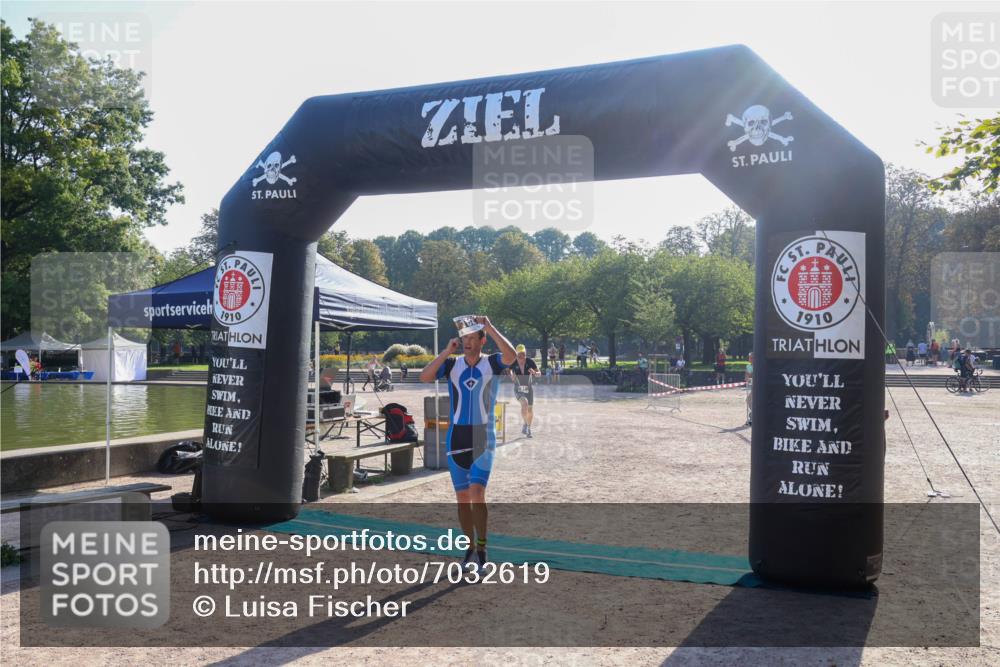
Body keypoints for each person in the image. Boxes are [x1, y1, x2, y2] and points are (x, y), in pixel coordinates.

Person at [419, 315, 516, 573]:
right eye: (464, 339)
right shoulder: (452, 365)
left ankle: (482, 549)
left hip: (483, 437)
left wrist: (490, 327)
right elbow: (425, 376)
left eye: (473, 338)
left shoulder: (492, 363)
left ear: (482, 340)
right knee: (462, 498)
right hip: (456, 438)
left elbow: (511, 356)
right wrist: (446, 351)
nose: (468, 343)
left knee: (477, 493)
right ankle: (470, 548)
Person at [508, 344, 541, 438]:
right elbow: (509, 371)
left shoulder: (530, 362)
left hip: (529, 389)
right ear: (516, 354)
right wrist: (511, 376)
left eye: (523, 353)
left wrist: (534, 373)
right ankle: (526, 425)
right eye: (520, 354)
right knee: (524, 403)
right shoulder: (513, 362)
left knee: (530, 409)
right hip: (518, 388)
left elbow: (539, 374)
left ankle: (528, 428)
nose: (522, 356)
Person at [744, 353, 753, 426]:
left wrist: (749, 375)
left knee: (750, 400)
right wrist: (747, 378)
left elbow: (752, 374)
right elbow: (746, 375)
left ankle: (753, 416)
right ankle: (753, 415)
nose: (750, 359)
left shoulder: (758, 365)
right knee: (748, 400)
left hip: (758, 387)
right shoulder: (748, 366)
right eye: (749, 357)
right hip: (752, 386)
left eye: (752, 357)